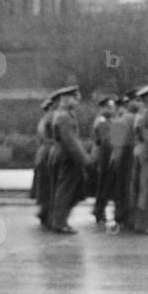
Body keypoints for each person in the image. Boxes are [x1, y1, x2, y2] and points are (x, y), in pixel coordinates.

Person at [48, 86, 90, 234]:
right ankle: (59, 223)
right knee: (64, 191)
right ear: (65, 99)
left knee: (65, 190)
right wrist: (85, 159)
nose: (77, 100)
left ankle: (59, 221)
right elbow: (70, 142)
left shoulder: (65, 115)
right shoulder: (64, 117)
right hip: (67, 157)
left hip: (65, 156)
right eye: (74, 97)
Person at [110, 91, 139, 230]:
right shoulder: (130, 118)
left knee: (121, 187)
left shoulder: (120, 118)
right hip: (129, 155)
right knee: (130, 188)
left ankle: (120, 215)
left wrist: (114, 159)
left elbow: (115, 143)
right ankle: (128, 217)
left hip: (123, 156)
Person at [30, 96, 56, 228]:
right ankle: (47, 214)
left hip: (42, 154)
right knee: (48, 186)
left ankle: (44, 213)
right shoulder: (51, 120)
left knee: (44, 186)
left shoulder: (44, 120)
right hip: (48, 154)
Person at [90, 96, 116, 225]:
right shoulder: (102, 122)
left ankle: (99, 210)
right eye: (110, 107)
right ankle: (99, 211)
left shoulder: (107, 121)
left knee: (104, 185)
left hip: (106, 155)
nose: (113, 110)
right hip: (103, 156)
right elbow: (106, 142)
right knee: (103, 185)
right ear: (103, 108)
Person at [131, 85, 148, 233]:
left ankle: (140, 223)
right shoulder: (145, 114)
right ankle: (142, 225)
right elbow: (146, 135)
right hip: (146, 153)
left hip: (141, 152)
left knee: (141, 188)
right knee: (146, 189)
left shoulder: (141, 113)